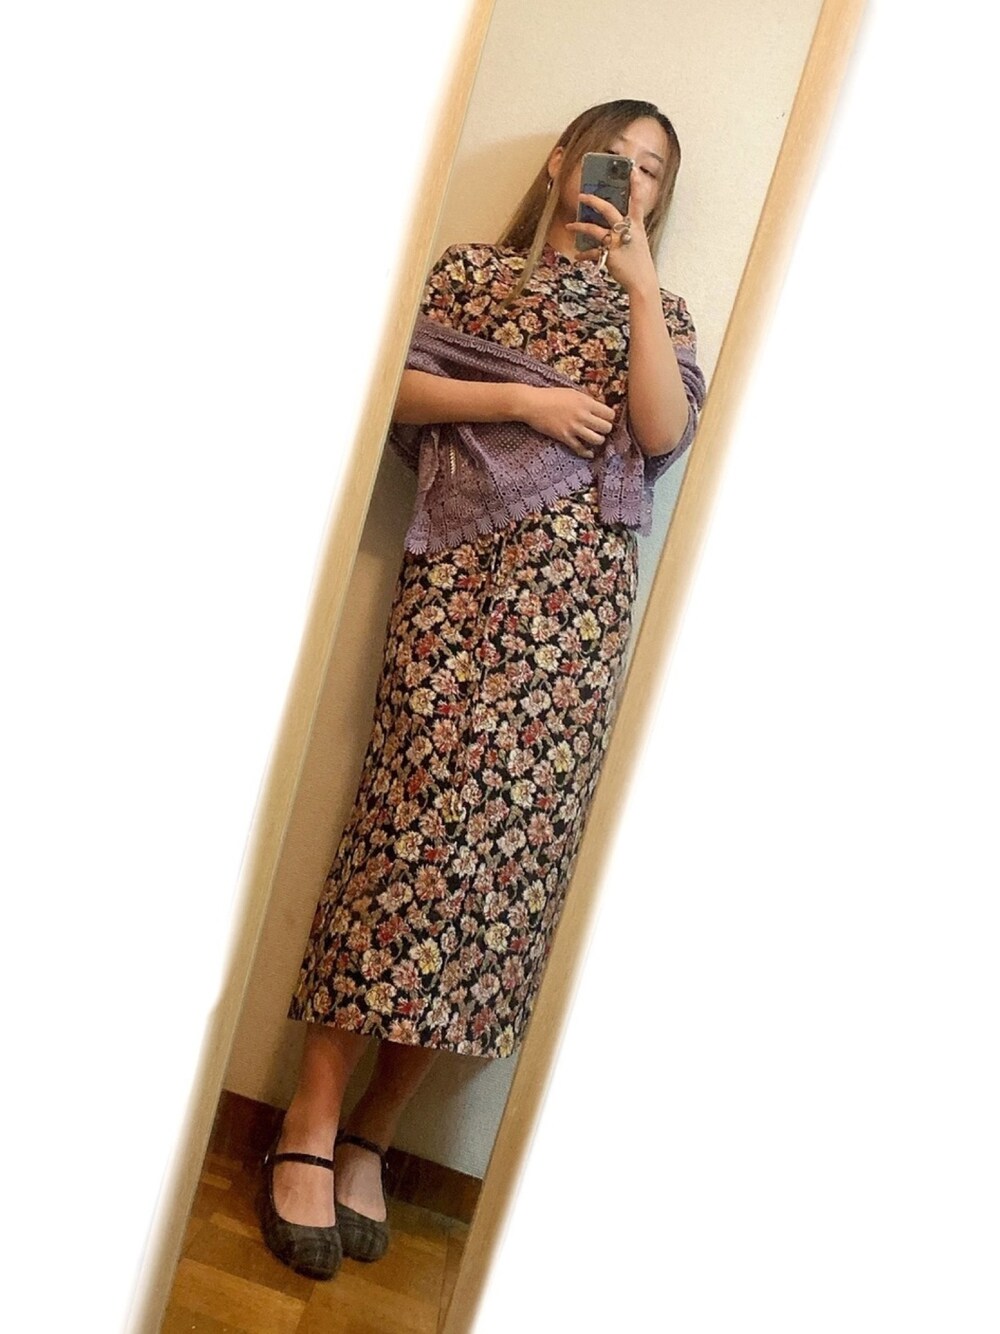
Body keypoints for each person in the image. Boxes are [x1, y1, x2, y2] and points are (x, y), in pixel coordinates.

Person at [258, 98, 707, 1281]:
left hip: (571, 635)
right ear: (562, 162)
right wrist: (525, 402)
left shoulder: (660, 311)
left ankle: (375, 1129)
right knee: (399, 852)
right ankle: (307, 1120)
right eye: (616, 157)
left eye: (652, 173)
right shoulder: (469, 273)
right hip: (457, 600)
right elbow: (393, 389)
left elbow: (660, 431)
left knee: (499, 891)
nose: (629, 180)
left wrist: (638, 282)